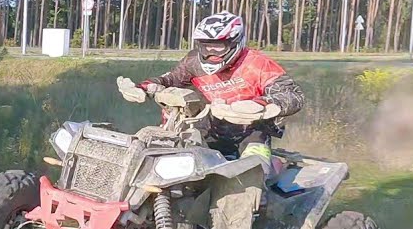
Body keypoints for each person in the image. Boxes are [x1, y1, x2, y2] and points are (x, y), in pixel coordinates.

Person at [116, 11, 304, 162]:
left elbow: (293, 95)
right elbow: (171, 79)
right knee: (179, 159)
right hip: (212, 127)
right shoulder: (193, 62)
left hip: (253, 130)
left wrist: (263, 104)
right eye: (206, 46)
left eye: (218, 47)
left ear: (235, 42)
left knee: (253, 168)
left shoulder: (257, 63)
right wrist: (144, 87)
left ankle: (258, 194)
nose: (211, 52)